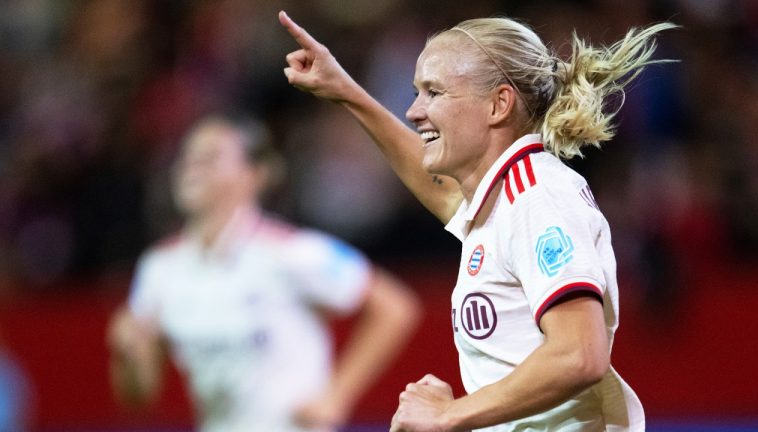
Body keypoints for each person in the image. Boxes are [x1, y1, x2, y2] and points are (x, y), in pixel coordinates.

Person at [279, 10, 676, 432]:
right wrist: (345, 91)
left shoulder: (537, 197)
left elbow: (579, 353)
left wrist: (449, 415)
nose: (414, 110)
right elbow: (443, 192)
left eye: (434, 92)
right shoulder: (504, 197)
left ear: (498, 104)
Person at [107, 114, 421, 432]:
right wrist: (128, 355)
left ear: (254, 174)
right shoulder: (160, 268)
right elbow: (139, 397)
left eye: (210, 156)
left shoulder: (290, 251)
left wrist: (336, 396)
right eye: (187, 157)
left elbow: (394, 305)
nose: (192, 167)